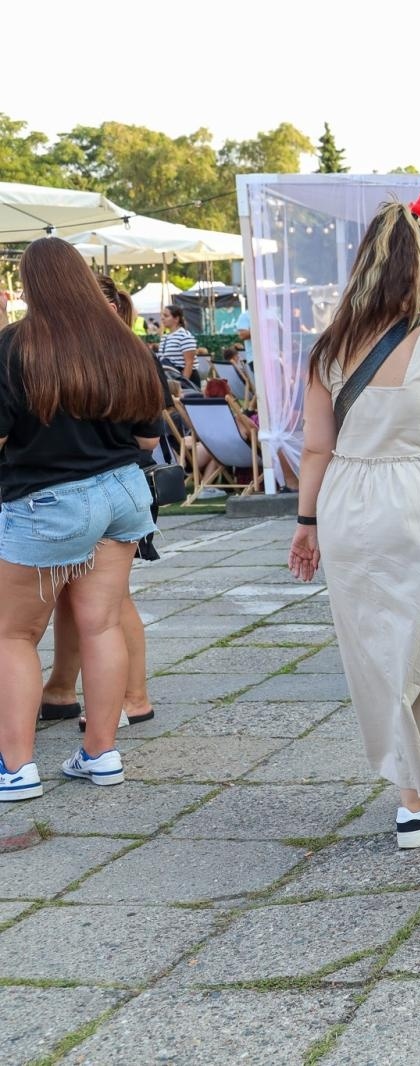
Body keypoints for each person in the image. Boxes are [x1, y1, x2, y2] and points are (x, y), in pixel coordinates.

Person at [287, 203, 420, 849]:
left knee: (379, 651)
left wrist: (306, 522)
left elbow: (316, 448)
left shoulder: (329, 347)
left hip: (348, 502)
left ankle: (415, 792)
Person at [0, 237, 166, 801]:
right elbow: (149, 436)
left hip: (44, 500)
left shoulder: (13, 347)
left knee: (13, 634)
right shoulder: (123, 344)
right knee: (101, 625)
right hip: (122, 492)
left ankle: (17, 767)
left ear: (30, 286)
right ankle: (101, 753)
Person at [41, 276, 163, 733]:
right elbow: (150, 437)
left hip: (87, 488)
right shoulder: (130, 352)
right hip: (125, 484)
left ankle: (133, 697)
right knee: (82, 597)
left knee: (107, 602)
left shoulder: (66, 353)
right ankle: (62, 689)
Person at [157, 303, 198, 384]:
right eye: (162, 315)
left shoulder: (185, 336)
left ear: (176, 319)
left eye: (166, 316)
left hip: (185, 379)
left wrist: (183, 384)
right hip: (169, 378)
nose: (162, 318)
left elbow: (189, 363)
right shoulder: (165, 337)